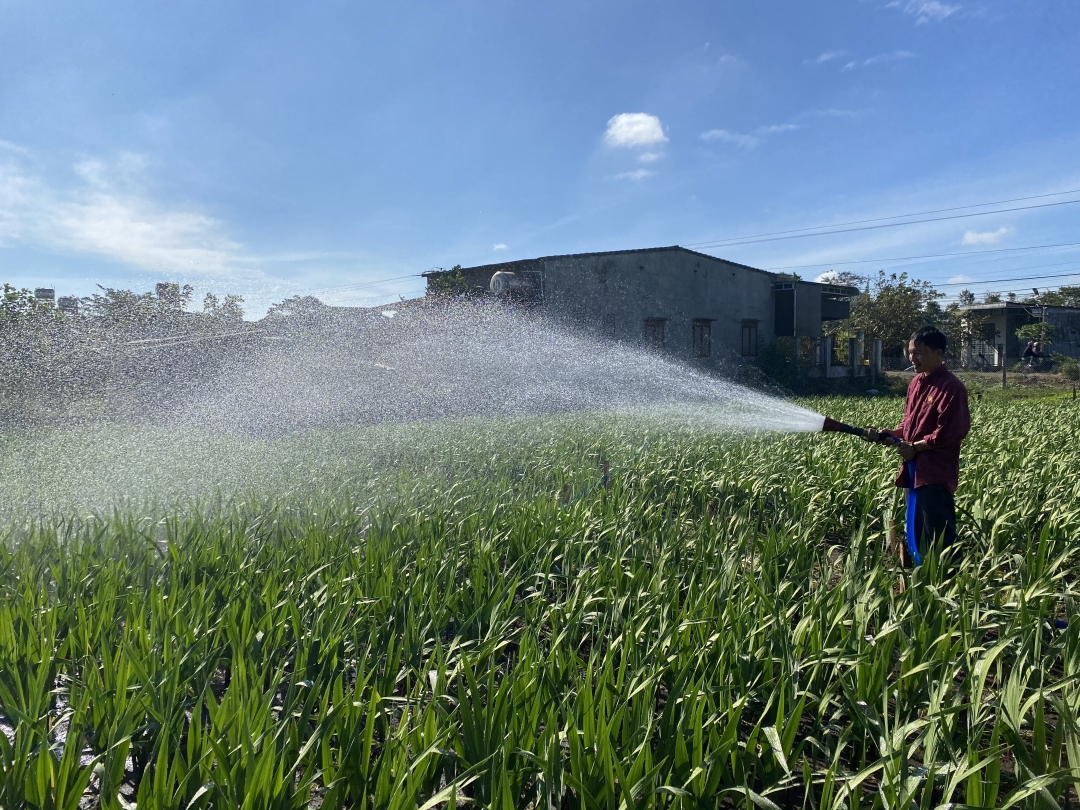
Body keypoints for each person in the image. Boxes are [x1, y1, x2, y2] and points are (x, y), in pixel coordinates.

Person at [877, 326, 970, 566]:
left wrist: (916, 447)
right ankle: (922, 580)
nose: (912, 358)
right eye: (910, 352)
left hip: (935, 474)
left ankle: (950, 585)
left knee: (939, 536)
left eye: (918, 353)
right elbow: (910, 424)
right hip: (913, 470)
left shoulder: (951, 387)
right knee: (916, 531)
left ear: (938, 353)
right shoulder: (916, 383)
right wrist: (894, 433)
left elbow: (951, 433)